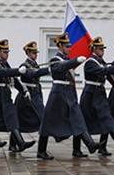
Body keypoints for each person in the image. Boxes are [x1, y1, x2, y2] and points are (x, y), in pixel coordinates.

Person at [37, 32, 101, 160]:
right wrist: (75, 61)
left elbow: (67, 66)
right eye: (67, 46)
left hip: (69, 93)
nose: (69, 48)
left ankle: (85, 146)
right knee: (48, 123)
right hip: (58, 94)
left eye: (70, 46)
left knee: (78, 118)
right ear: (60, 47)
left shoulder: (66, 60)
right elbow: (61, 67)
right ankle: (41, 150)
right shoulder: (55, 59)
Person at [80, 37, 114, 156]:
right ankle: (77, 149)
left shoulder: (101, 62)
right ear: (94, 49)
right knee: (82, 121)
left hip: (99, 93)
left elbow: (111, 77)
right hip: (90, 94)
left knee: (107, 117)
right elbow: (103, 71)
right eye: (100, 49)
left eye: (103, 48)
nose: (102, 51)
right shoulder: (90, 62)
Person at [0, 39, 35, 154]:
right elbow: (3, 73)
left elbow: (13, 79)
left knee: (12, 116)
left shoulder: (5, 65)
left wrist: (23, 90)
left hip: (5, 94)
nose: (7, 54)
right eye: (4, 52)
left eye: (7, 51)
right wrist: (18, 71)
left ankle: (20, 143)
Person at [14, 41, 50, 137]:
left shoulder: (36, 65)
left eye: (36, 53)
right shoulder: (24, 66)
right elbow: (32, 74)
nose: (35, 55)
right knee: (19, 120)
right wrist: (48, 70)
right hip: (26, 95)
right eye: (33, 53)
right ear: (28, 53)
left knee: (43, 118)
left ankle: (42, 148)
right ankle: (14, 144)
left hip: (36, 94)